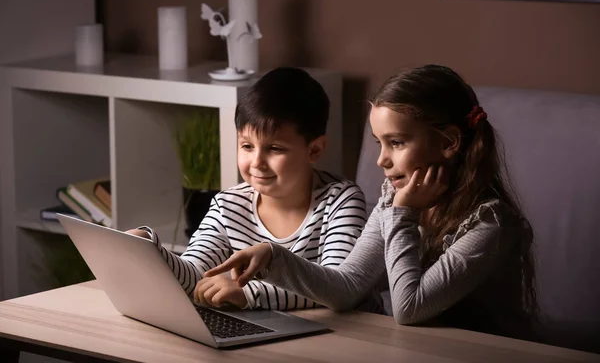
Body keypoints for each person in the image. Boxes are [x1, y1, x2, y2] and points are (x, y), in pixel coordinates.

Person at [204, 65, 538, 340]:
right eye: (379, 143)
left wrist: (403, 215)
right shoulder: (395, 201)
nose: (381, 160)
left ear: (449, 141)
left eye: (396, 142)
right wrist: (273, 256)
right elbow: (346, 287)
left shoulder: (489, 224)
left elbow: (409, 309)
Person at [127, 67, 367, 311]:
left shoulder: (341, 200)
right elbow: (196, 276)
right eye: (247, 146)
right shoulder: (228, 204)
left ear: (314, 150)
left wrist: (249, 293)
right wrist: (151, 249)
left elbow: (335, 288)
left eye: (275, 148)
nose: (257, 162)